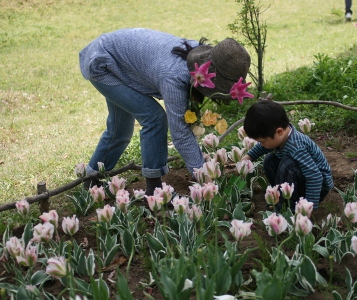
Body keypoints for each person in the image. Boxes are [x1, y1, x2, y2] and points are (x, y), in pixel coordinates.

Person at [79, 28, 251, 195]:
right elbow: (180, 134)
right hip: (103, 62)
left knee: (120, 129)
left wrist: (199, 159)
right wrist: (203, 176)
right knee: (154, 118)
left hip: (117, 55)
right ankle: (154, 190)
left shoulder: (199, 59)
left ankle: (91, 181)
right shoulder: (174, 77)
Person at [241, 100, 333, 213]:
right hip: (302, 178)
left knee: (287, 165)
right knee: (269, 160)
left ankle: (290, 208)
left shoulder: (296, 147)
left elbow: (315, 177)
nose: (262, 144)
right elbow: (263, 147)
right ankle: (280, 197)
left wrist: (308, 207)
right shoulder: (281, 136)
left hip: (319, 187)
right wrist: (247, 158)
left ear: (279, 132)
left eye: (262, 141)